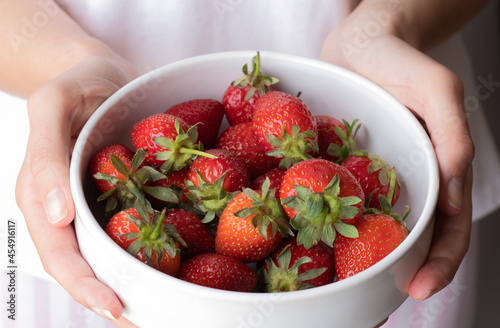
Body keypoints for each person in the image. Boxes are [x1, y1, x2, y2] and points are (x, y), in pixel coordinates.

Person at [3, 0, 499, 327]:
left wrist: (393, 22)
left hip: (398, 117)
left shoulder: (318, 189)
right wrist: (65, 62)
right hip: (100, 237)